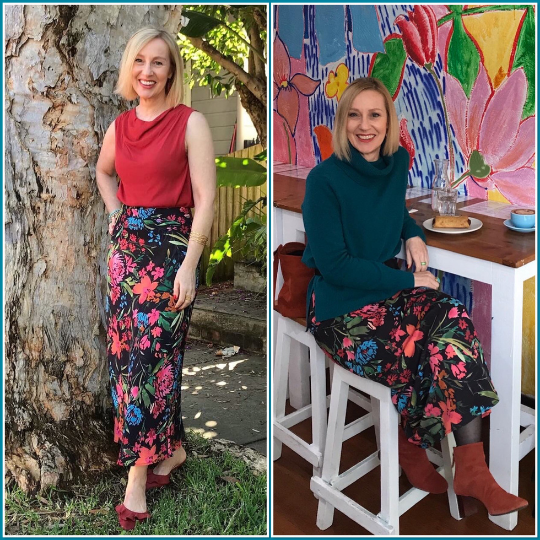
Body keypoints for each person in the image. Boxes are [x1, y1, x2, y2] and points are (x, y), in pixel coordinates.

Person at [302, 77, 528, 519]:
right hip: (340, 309)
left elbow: (394, 211)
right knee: (420, 344)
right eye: (354, 114)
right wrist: (409, 283)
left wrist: (412, 233)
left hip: (384, 295)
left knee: (453, 319)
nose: (364, 126)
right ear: (342, 119)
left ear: (389, 122)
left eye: (375, 115)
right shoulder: (323, 180)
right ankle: (412, 449)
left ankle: (471, 467)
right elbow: (336, 266)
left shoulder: (398, 161)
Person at [96, 27, 216, 530]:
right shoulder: (119, 126)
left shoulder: (191, 123)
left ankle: (137, 480)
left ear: (172, 71)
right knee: (129, 370)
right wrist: (117, 212)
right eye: (140, 61)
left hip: (169, 256)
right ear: (131, 67)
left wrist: (190, 264)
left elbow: (207, 200)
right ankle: (173, 452)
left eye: (159, 63)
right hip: (125, 259)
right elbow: (104, 172)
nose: (147, 71)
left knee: (153, 365)